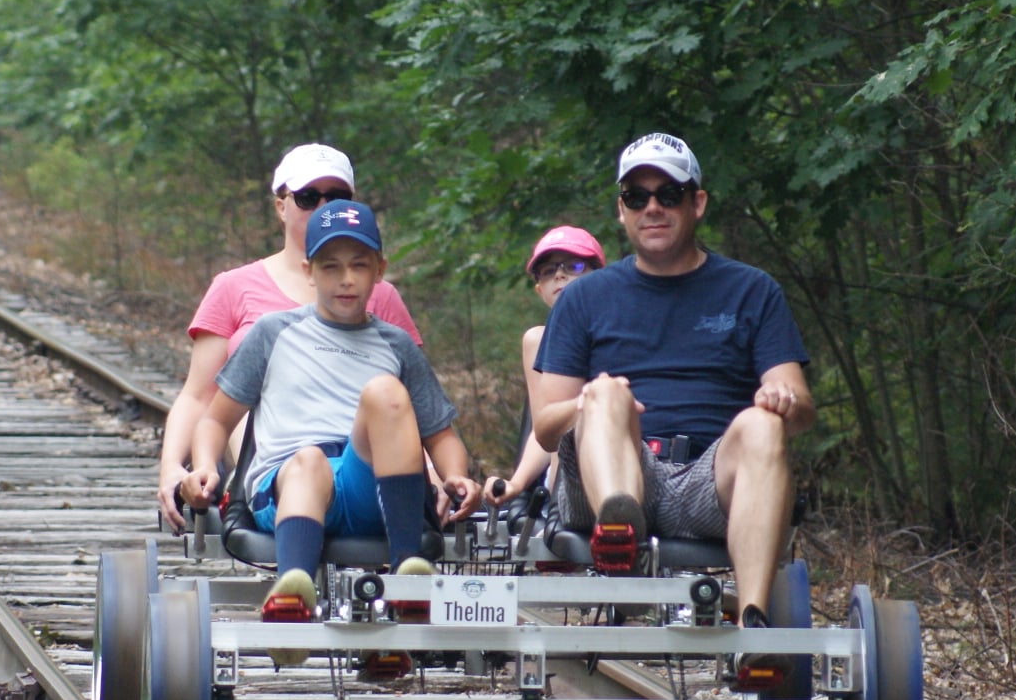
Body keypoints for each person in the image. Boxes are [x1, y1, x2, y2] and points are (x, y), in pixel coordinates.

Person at [530, 132, 814, 632]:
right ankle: (623, 546)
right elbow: (547, 428)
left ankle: (755, 623)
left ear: (697, 202)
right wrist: (599, 405)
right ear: (621, 210)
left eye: (669, 194)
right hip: (608, 474)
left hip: (710, 477)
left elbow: (802, 407)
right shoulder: (583, 298)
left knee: (763, 425)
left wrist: (782, 401)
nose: (653, 208)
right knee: (603, 392)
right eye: (637, 197)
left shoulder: (752, 290)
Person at [181, 199, 481, 653]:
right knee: (309, 461)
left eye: (359, 266)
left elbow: (441, 437)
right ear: (309, 271)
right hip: (290, 484)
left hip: (371, 486)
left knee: (385, 392)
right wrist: (203, 466)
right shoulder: (273, 331)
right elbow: (214, 421)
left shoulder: (395, 343)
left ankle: (408, 576)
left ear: (379, 270)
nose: (346, 279)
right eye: (331, 267)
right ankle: (291, 593)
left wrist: (455, 475)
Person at [156, 144, 422, 532]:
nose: (322, 207)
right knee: (252, 407)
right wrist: (173, 469)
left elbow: (411, 400)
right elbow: (199, 395)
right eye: (308, 197)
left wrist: (432, 472)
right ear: (281, 206)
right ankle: (267, 499)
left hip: (359, 443)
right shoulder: (235, 287)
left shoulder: (380, 295)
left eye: (337, 197)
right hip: (268, 441)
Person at [489, 225, 605, 508]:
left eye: (574, 266)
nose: (560, 275)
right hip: (560, 477)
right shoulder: (537, 341)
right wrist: (517, 483)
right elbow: (543, 429)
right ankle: (557, 505)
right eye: (549, 270)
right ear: (539, 289)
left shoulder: (615, 334)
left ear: (601, 278)